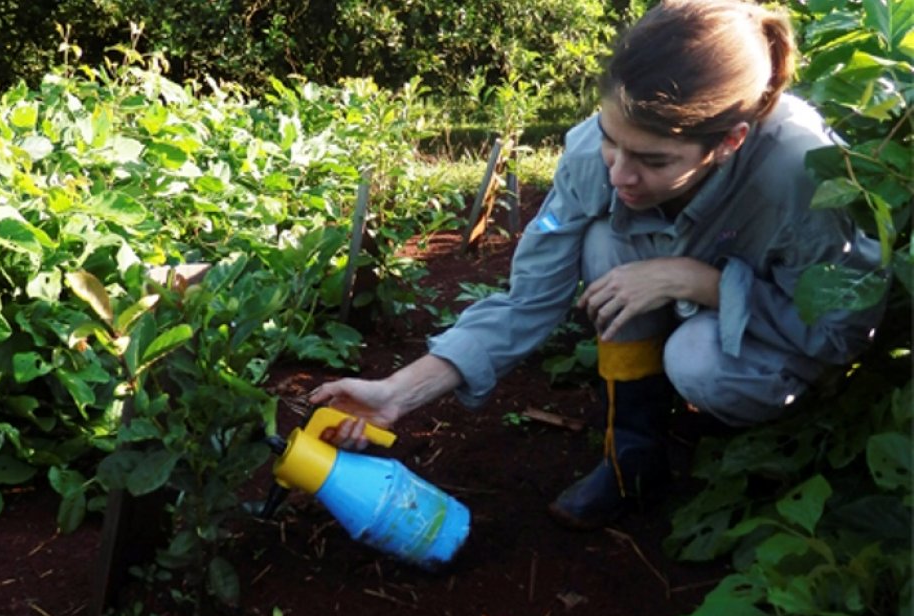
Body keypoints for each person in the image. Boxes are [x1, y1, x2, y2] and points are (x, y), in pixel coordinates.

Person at [309, 0, 887, 530]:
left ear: (730, 142)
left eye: (653, 160)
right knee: (603, 242)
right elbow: (529, 298)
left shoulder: (805, 173)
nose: (619, 174)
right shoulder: (594, 152)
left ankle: (772, 454)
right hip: (699, 300)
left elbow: (840, 331)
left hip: (767, 331)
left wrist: (705, 285)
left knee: (700, 362)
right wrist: (398, 394)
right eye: (613, 141)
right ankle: (633, 454)